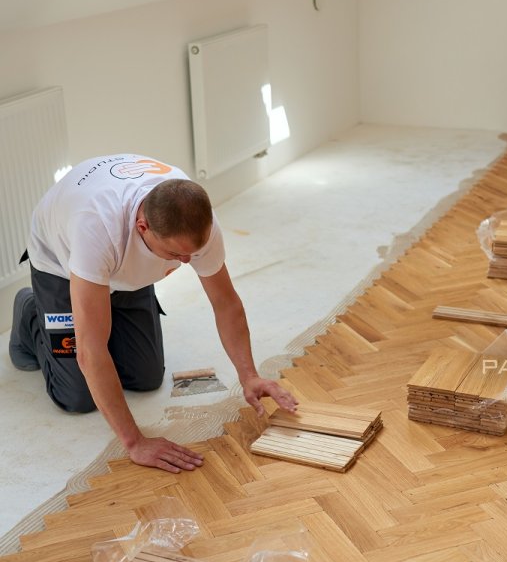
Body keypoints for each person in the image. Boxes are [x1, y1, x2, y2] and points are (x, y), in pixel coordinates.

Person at [9, 153, 298, 473]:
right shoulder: (96, 227)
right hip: (62, 268)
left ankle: (108, 305)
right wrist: (135, 442)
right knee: (76, 397)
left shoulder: (195, 220)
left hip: (123, 270)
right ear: (142, 226)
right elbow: (90, 352)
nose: (187, 262)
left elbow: (227, 304)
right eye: (176, 254)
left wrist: (249, 375)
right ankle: (30, 310)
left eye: (193, 253)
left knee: (145, 378)